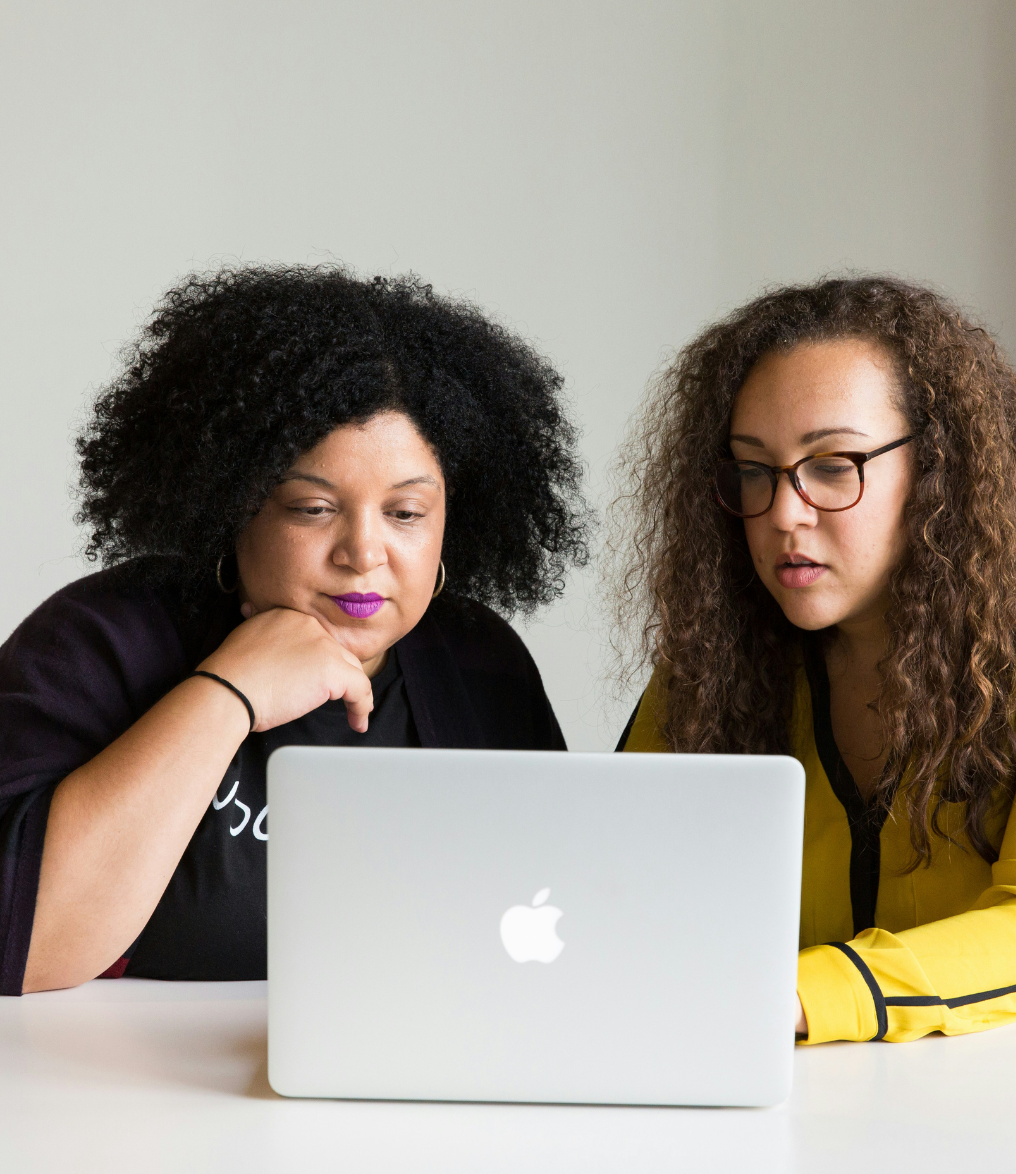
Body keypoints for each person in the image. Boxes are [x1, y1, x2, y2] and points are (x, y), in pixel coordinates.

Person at [0, 265, 589, 994]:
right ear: (234, 503)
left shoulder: (480, 662)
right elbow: (24, 945)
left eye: (405, 513)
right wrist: (228, 690)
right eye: (313, 509)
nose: (363, 553)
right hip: (128, 1066)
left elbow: (562, 912)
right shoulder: (102, 641)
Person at [613, 276, 1016, 1044]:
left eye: (832, 465)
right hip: (763, 1099)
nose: (783, 513)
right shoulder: (712, 669)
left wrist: (799, 996)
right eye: (753, 471)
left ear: (942, 471)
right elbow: (615, 886)